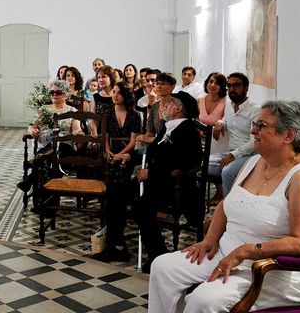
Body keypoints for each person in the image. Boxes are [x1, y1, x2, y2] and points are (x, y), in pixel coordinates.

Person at [149, 100, 300, 313]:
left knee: (203, 299)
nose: (253, 130)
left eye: (261, 125)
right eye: (254, 123)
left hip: (269, 270)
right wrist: (209, 240)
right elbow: (227, 204)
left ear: (288, 135)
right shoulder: (252, 162)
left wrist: (246, 251)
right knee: (163, 268)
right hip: (226, 252)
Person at [134, 91, 202, 270]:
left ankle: (158, 256)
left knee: (141, 206)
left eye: (169, 102)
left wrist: (152, 172)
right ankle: (115, 245)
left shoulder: (188, 131)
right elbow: (156, 152)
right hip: (156, 183)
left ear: (178, 108)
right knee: (117, 191)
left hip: (174, 187)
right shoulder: (167, 127)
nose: (165, 105)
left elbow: (187, 162)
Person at [92, 82, 142, 262]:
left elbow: (134, 141)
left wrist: (121, 155)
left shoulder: (135, 115)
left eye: (119, 93)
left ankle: (116, 244)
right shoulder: (106, 112)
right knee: (115, 182)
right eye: (113, 92)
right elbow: (103, 136)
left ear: (126, 95)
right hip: (110, 152)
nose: (115, 95)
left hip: (128, 154)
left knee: (116, 184)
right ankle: (117, 243)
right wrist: (108, 152)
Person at [17, 80, 82, 193]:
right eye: (52, 92)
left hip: (64, 147)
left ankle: (32, 184)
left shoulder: (72, 111)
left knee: (48, 154)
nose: (54, 95)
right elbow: (32, 126)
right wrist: (33, 131)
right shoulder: (44, 109)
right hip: (45, 146)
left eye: (58, 92)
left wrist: (77, 135)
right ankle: (47, 199)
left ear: (66, 94)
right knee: (46, 161)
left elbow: (77, 130)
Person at [214, 73, 260, 196]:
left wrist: (233, 155)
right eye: (229, 86)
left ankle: (228, 208)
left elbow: (254, 141)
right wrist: (220, 124)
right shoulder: (229, 105)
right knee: (203, 164)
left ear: (246, 88)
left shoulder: (255, 110)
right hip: (231, 152)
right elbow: (225, 120)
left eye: (236, 86)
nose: (231, 89)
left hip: (249, 154)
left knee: (227, 172)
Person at [198, 72, 229, 204]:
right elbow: (194, 119)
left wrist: (219, 124)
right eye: (210, 81)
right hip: (201, 137)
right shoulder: (199, 100)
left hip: (219, 138)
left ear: (222, 86)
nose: (212, 85)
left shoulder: (226, 102)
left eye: (216, 83)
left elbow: (226, 120)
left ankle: (220, 191)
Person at [135, 72, 177, 152]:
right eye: (157, 83)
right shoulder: (155, 106)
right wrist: (143, 138)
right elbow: (150, 130)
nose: (159, 86)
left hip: (173, 146)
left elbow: (171, 136)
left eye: (163, 84)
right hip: (157, 146)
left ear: (173, 86)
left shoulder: (176, 105)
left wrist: (149, 139)